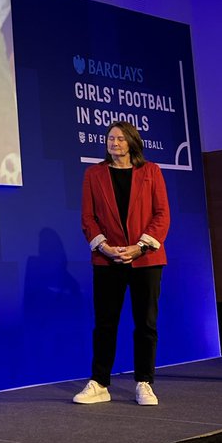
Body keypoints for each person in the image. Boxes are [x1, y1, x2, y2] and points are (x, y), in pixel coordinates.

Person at [75, 120, 170, 406]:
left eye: (119, 139)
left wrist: (139, 248)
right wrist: (105, 247)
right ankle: (100, 383)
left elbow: (162, 215)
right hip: (108, 260)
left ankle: (144, 382)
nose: (113, 143)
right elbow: (88, 218)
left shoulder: (151, 172)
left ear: (131, 142)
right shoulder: (94, 174)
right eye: (110, 139)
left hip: (146, 259)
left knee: (146, 323)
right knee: (105, 324)